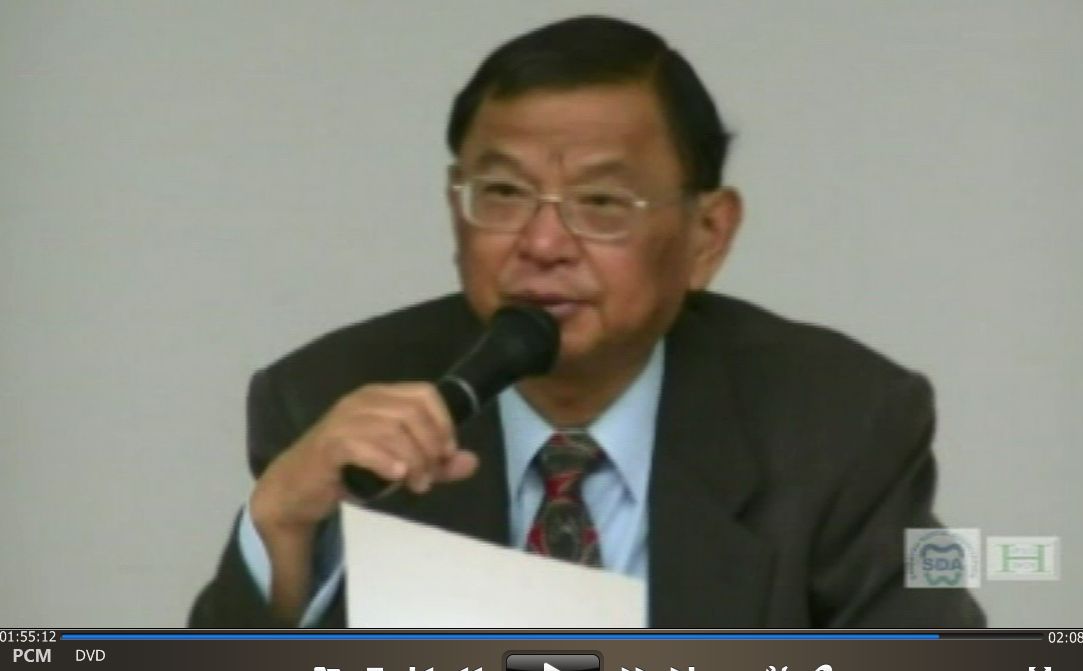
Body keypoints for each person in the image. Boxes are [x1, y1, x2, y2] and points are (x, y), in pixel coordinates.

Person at [189, 15, 985, 628]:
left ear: (707, 235)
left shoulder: (839, 418)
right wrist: (278, 525)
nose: (542, 244)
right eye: (503, 195)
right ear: (455, 208)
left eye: (601, 202)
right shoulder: (326, 395)